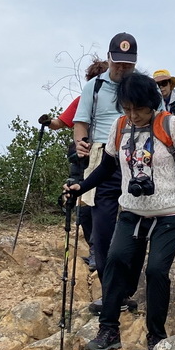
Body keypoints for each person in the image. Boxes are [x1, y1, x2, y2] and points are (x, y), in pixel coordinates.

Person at [64, 72, 175, 350]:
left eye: (139, 109)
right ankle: (108, 329)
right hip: (132, 210)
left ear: (151, 104)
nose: (133, 115)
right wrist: (81, 187)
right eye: (127, 108)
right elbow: (106, 167)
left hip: (170, 214)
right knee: (115, 261)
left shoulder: (170, 124)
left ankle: (156, 336)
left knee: (156, 271)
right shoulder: (119, 127)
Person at [73, 32, 138, 314]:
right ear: (109, 59)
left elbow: (161, 119)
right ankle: (111, 293)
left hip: (135, 156)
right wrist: (80, 143)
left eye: (128, 64)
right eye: (118, 63)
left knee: (135, 226)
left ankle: (125, 291)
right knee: (101, 230)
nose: (122, 69)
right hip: (101, 156)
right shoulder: (94, 87)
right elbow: (80, 122)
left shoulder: (140, 85)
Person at [39, 57, 108, 271]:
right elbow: (60, 122)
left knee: (100, 204)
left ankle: (102, 251)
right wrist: (48, 121)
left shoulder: (117, 101)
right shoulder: (82, 100)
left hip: (104, 156)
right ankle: (95, 250)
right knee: (83, 207)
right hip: (82, 158)